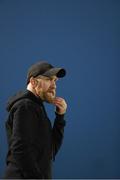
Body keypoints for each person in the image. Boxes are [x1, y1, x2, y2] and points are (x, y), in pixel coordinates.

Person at [4, 61, 67, 179]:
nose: (54, 85)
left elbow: (50, 151)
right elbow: (20, 149)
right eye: (49, 79)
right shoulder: (25, 106)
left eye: (55, 81)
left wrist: (60, 116)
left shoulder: (36, 107)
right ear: (33, 81)